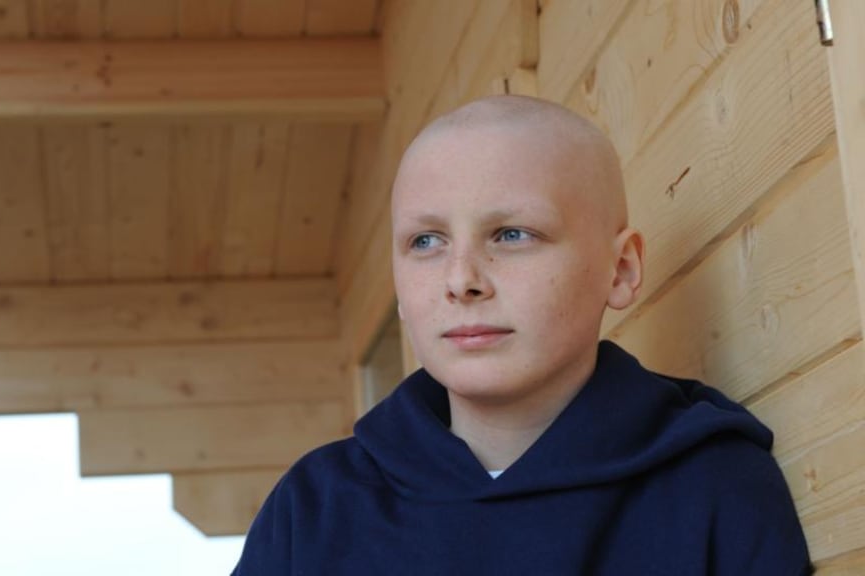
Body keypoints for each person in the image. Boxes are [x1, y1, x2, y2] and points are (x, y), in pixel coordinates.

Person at [232, 95, 812, 575]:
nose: (460, 280)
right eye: (426, 242)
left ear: (621, 270)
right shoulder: (314, 507)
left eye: (512, 234)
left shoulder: (714, 483)